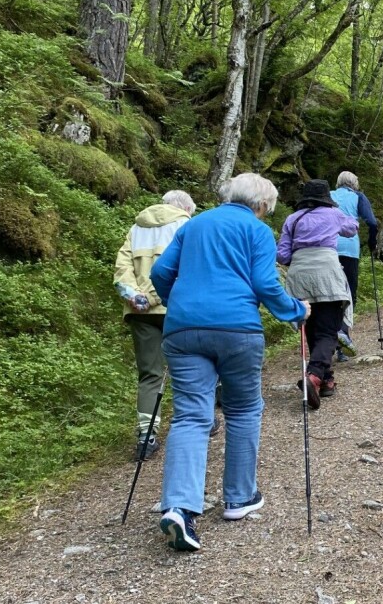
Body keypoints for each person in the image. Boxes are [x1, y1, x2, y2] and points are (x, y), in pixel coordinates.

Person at [150, 173, 309, 552]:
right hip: (237, 329)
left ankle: (179, 508)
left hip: (182, 329)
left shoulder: (193, 225)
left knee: (191, 416)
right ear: (262, 205)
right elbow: (265, 283)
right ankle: (239, 498)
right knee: (243, 409)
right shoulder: (257, 230)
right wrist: (296, 310)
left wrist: (181, 304)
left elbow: (159, 273)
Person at [114, 190, 202, 460]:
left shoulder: (137, 228)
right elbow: (183, 268)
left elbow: (121, 269)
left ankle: (146, 435)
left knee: (149, 374)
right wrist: (154, 297)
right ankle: (200, 420)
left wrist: (135, 296)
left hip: (139, 311)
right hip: (177, 307)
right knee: (190, 366)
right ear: (186, 208)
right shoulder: (186, 225)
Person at [278, 179, 359, 407]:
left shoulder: (293, 219)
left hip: (299, 275)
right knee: (329, 331)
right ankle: (313, 375)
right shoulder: (333, 214)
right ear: (326, 198)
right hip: (327, 273)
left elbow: (282, 255)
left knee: (312, 327)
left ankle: (326, 381)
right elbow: (351, 229)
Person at [331, 171, 379, 361]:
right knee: (348, 294)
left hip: (328, 248)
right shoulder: (358, 197)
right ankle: (343, 339)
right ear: (354, 184)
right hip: (349, 249)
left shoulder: (329, 195)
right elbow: (372, 222)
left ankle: (329, 340)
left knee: (330, 295)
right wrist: (372, 242)